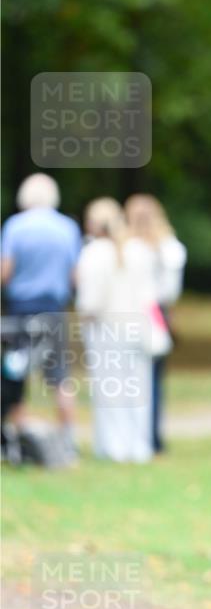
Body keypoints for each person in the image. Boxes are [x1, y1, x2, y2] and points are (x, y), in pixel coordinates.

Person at [1, 173, 81, 457]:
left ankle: (19, 436)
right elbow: (75, 275)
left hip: (20, 310)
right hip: (54, 309)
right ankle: (68, 438)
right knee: (60, 375)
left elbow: (5, 272)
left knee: (14, 372)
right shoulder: (67, 228)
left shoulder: (15, 227)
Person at [76, 198, 156, 463]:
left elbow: (90, 302)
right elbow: (150, 294)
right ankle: (139, 445)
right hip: (138, 328)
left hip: (106, 329)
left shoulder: (94, 253)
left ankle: (113, 445)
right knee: (139, 387)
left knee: (110, 388)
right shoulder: (139, 250)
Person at [125, 195, 187, 453]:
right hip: (155, 313)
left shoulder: (125, 247)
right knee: (153, 378)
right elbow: (171, 291)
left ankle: (134, 436)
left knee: (130, 377)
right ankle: (152, 436)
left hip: (127, 313)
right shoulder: (170, 247)